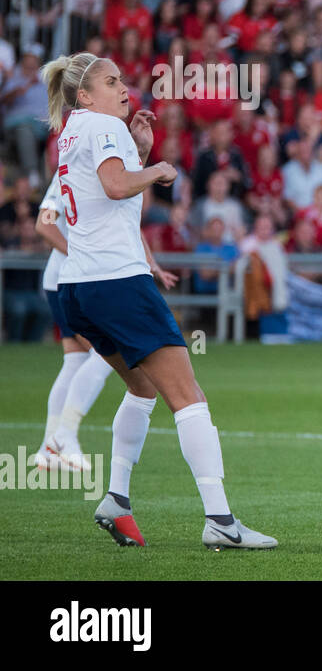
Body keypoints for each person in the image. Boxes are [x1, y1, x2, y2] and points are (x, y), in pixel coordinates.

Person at [41, 51, 276, 550]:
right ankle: (221, 520)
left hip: (80, 288)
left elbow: (109, 199)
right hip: (119, 283)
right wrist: (161, 169)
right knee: (188, 396)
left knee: (143, 390)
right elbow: (115, 184)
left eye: (122, 79)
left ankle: (117, 500)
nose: (123, 87)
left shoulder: (75, 130)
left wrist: (140, 155)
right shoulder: (103, 127)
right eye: (111, 81)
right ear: (85, 95)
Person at [29, 171, 131, 472]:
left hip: (68, 279)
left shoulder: (91, 169)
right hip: (68, 279)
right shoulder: (74, 171)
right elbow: (44, 224)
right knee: (106, 354)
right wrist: (80, 253)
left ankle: (48, 447)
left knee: (75, 361)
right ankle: (64, 436)